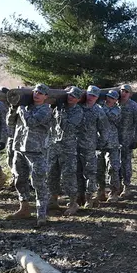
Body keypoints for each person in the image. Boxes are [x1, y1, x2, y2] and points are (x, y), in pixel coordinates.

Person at [6, 83, 53, 227]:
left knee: (38, 183)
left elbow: (30, 123)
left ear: (45, 96)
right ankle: (24, 208)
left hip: (36, 151)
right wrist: (14, 107)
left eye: (40, 93)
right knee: (19, 179)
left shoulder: (46, 110)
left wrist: (21, 108)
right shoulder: (25, 107)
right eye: (35, 91)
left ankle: (42, 215)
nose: (36, 94)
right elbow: (10, 122)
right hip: (19, 148)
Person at [48, 86, 83, 215]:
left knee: (68, 175)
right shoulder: (57, 108)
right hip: (53, 145)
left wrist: (61, 111)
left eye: (74, 96)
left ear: (78, 99)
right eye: (69, 95)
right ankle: (53, 199)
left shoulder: (78, 111)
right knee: (52, 173)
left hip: (68, 148)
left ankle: (73, 203)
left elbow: (66, 128)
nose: (70, 97)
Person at [77, 85, 107, 208]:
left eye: (94, 96)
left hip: (90, 147)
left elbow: (104, 130)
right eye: (89, 94)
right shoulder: (78, 108)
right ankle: (80, 196)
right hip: (74, 145)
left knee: (90, 173)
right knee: (77, 172)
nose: (91, 97)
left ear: (97, 97)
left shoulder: (98, 110)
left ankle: (90, 198)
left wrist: (99, 144)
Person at [118, 84, 137, 198]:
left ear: (130, 94)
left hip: (127, 140)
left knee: (125, 164)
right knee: (114, 164)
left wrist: (136, 139)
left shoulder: (134, 107)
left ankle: (126, 186)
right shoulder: (114, 103)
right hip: (114, 139)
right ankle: (116, 185)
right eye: (122, 91)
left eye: (126, 92)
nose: (123, 93)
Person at [97, 90, 122, 203]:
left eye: (112, 98)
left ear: (116, 100)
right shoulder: (99, 106)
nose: (108, 99)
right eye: (107, 97)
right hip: (100, 142)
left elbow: (108, 116)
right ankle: (100, 191)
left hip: (112, 144)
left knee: (113, 168)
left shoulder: (117, 110)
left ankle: (114, 193)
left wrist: (100, 107)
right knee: (99, 169)